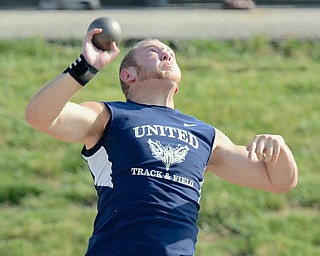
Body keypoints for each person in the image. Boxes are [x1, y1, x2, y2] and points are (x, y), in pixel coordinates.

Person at [25, 28, 298, 256]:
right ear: (128, 75)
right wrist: (86, 67)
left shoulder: (205, 134)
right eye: (153, 52)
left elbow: (279, 181)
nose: (166, 53)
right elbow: (40, 116)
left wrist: (280, 148)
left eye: (170, 53)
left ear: (177, 85)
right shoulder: (110, 116)